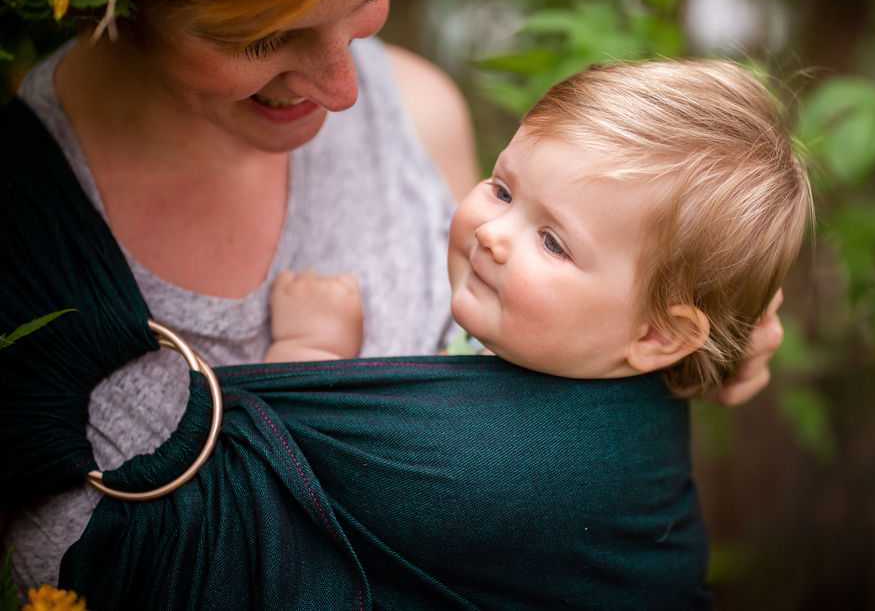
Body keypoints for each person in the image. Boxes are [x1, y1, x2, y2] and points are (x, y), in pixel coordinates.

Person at [1, 0, 784, 593]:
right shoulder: (26, 236)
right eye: (261, 37)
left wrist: (714, 327)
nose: (344, 90)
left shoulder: (421, 115)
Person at [265, 58, 810, 402]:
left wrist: (308, 352)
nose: (492, 233)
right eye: (502, 191)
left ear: (658, 337)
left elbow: (325, 496)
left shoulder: (511, 443)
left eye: (552, 242)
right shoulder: (599, 358)